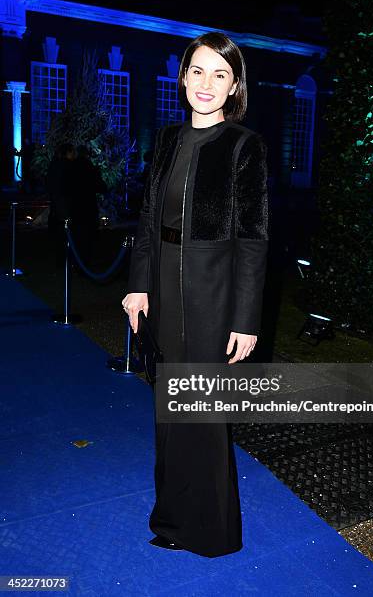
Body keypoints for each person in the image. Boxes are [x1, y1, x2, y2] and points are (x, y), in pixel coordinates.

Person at [122, 32, 269, 557]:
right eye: (198, 71)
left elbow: (252, 242)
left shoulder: (242, 147)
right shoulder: (166, 140)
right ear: (182, 76)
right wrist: (137, 285)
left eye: (220, 74)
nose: (206, 84)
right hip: (162, 288)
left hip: (213, 298)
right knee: (167, 410)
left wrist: (246, 320)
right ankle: (171, 518)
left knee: (202, 417)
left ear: (234, 87)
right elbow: (145, 219)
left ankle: (211, 531)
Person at [70, 144, 107, 268]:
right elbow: (101, 187)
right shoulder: (90, 168)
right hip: (88, 206)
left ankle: (76, 261)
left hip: (75, 206)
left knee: (77, 235)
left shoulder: (72, 167)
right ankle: (84, 262)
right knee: (88, 237)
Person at [46, 143, 76, 268]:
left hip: (56, 202)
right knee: (66, 232)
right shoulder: (68, 166)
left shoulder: (54, 164)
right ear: (68, 152)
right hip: (64, 202)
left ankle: (60, 259)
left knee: (59, 233)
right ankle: (66, 259)